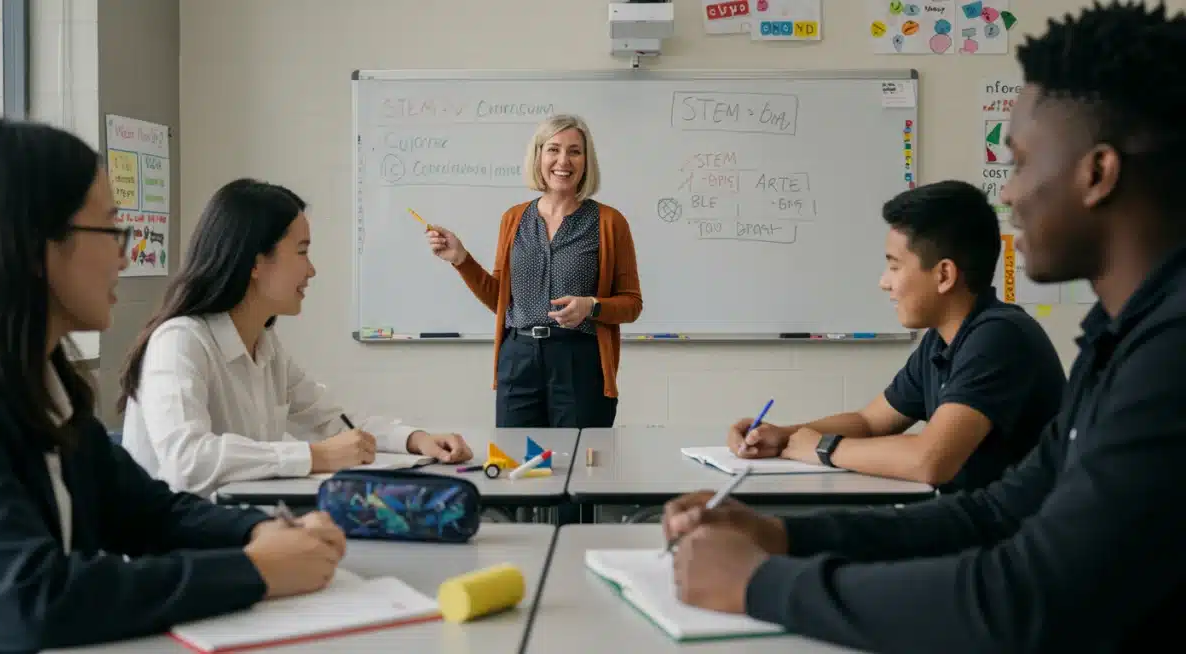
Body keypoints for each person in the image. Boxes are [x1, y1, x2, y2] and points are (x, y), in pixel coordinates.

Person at [663, 3, 1186, 652]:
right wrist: (783, 534)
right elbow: (994, 513)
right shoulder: (1116, 342)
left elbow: (1031, 596)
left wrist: (762, 584)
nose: (1012, 195)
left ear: (1098, 172)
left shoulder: (1167, 352)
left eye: (1020, 162)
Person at [0, 118, 349, 651]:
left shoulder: (48, 384)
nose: (126, 255)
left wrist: (257, 533)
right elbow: (31, 598)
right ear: (36, 245)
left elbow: (146, 511)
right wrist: (253, 571)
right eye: (111, 230)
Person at [119, 179, 472, 498]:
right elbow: (188, 461)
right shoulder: (180, 342)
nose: (312, 269)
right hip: (178, 552)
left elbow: (335, 421)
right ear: (255, 263)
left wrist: (416, 440)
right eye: (302, 251)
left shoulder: (265, 346)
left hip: (240, 532)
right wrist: (312, 456)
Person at [727, 180, 1064, 492]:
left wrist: (823, 448)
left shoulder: (998, 338)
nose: (884, 282)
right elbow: (871, 421)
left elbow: (929, 460)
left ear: (944, 274)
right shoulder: (942, 339)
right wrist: (783, 437)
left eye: (894, 266)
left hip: (1017, 543)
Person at [427, 114, 642, 428]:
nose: (563, 161)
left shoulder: (610, 222)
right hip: (519, 357)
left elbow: (631, 304)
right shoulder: (514, 219)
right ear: (539, 156)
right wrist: (461, 259)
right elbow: (501, 300)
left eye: (574, 151)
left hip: (580, 360)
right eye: (553, 149)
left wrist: (591, 307)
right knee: (517, 467)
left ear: (586, 161)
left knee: (578, 469)